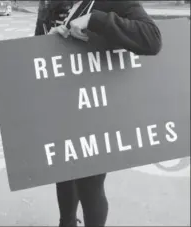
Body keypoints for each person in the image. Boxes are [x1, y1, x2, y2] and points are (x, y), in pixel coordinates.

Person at [34, 1, 162, 226]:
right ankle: (67, 222)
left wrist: (95, 19)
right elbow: (35, 46)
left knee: (90, 184)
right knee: (62, 174)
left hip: (96, 109)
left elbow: (152, 39)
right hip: (62, 103)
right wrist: (51, 41)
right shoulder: (49, 4)